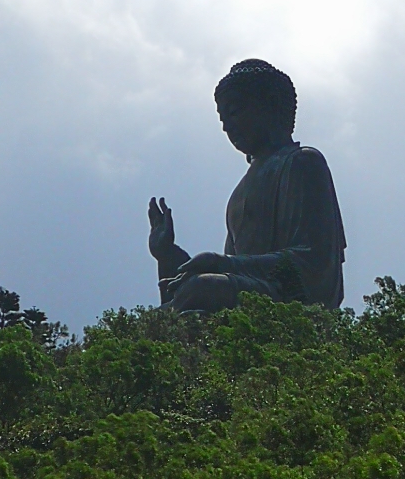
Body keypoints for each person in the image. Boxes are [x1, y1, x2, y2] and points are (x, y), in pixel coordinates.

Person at [148, 59, 345, 313]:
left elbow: (315, 261)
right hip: (250, 290)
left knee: (202, 288)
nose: (227, 127)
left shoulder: (302, 162)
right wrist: (167, 254)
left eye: (234, 112)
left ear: (270, 106)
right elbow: (231, 268)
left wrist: (223, 264)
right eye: (222, 119)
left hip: (287, 297)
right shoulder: (239, 194)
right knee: (168, 308)